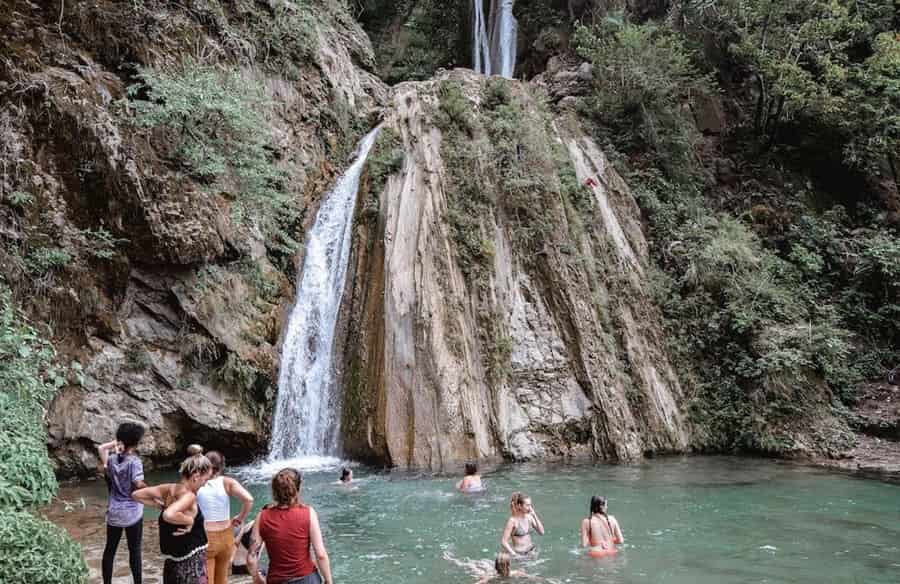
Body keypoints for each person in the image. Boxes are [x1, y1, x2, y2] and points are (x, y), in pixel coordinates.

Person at [133, 453, 213, 584]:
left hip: (172, 562)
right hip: (191, 566)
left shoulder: (168, 488)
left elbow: (136, 495)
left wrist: (160, 506)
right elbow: (168, 515)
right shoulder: (189, 496)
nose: (205, 484)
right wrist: (190, 520)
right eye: (205, 480)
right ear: (196, 476)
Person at [247, 468, 333, 584]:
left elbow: (251, 558)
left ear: (274, 491)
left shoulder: (262, 516)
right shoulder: (308, 513)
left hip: (277, 580)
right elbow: (321, 554)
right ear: (298, 489)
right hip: (307, 579)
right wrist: (328, 580)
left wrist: (257, 579)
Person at [99, 422, 147, 584]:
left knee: (110, 550)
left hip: (114, 513)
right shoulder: (135, 462)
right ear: (136, 443)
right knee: (135, 551)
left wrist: (118, 442)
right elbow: (138, 484)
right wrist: (156, 492)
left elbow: (102, 449)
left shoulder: (112, 460)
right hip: (132, 513)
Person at [197, 451, 254, 584]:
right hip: (226, 536)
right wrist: (240, 517)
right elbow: (249, 500)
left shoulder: (197, 482)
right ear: (222, 466)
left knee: (207, 579)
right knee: (222, 579)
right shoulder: (227, 482)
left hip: (206, 536)